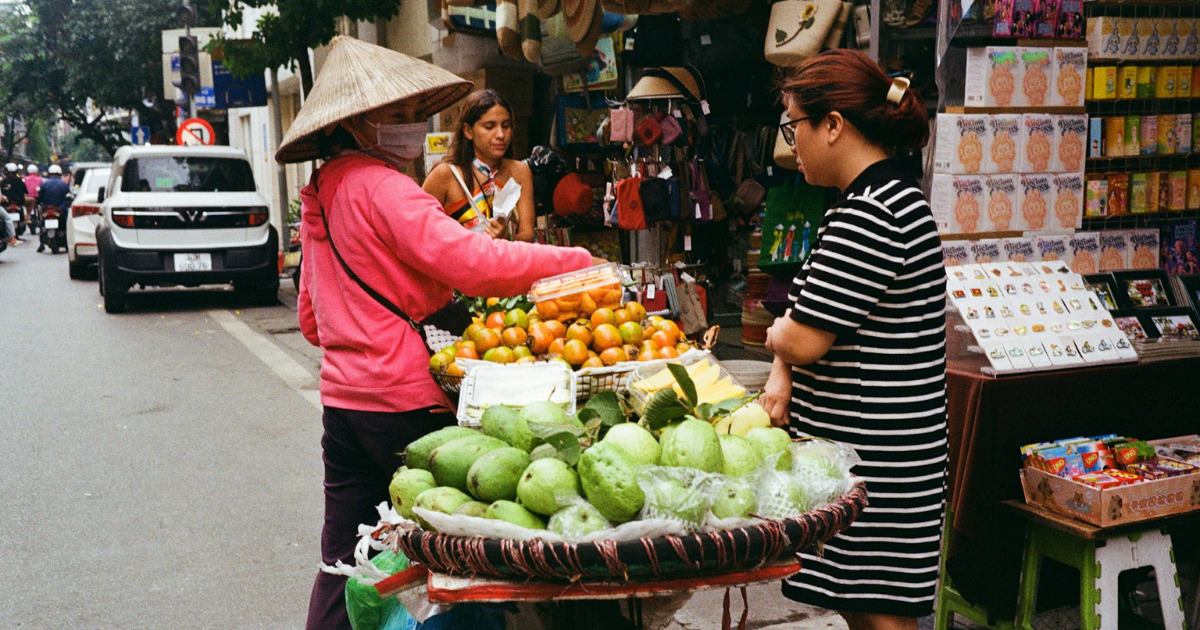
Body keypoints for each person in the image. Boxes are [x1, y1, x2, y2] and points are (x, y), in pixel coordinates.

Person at [274, 37, 597, 630]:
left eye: (411, 113)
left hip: (344, 404)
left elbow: (312, 322)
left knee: (344, 556)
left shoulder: (323, 190)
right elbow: (473, 262)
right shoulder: (385, 188)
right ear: (356, 124)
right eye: (392, 116)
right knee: (455, 553)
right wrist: (570, 261)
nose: (408, 125)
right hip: (404, 404)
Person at [758, 49, 947, 630]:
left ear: (833, 126)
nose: (792, 145)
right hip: (876, 448)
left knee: (880, 613)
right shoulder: (872, 203)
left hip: (881, 456)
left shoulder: (874, 214)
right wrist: (782, 359)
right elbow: (812, 318)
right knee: (863, 607)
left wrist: (777, 341)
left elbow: (803, 334)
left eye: (795, 127)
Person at [422, 89, 536, 241]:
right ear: (468, 131)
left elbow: (528, 235)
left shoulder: (520, 171)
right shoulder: (445, 174)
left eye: (506, 126)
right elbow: (420, 233)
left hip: (506, 262)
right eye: (489, 127)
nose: (501, 134)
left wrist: (505, 238)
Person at [36, 165, 70, 252]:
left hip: (46, 209)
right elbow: (68, 196)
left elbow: (40, 198)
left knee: (41, 224)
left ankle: (41, 244)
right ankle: (67, 243)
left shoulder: (44, 184)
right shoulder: (64, 184)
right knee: (68, 224)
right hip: (60, 209)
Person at [1, 163, 27, 245]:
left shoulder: (3, 181)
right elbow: (25, 192)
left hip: (7, 204)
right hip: (17, 203)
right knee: (7, 218)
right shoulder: (19, 180)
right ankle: (11, 238)